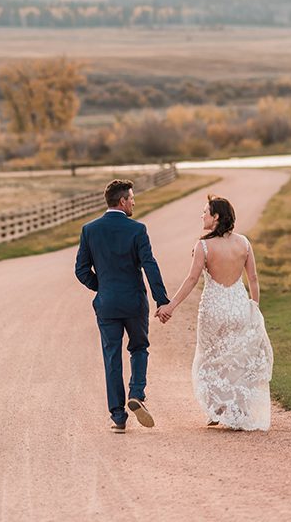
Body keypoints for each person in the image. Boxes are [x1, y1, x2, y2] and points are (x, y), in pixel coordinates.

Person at [157, 195, 273, 431]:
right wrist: (254, 306)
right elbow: (253, 278)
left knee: (210, 358)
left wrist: (171, 306)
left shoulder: (204, 246)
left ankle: (217, 409)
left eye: (205, 212)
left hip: (214, 309)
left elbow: (191, 279)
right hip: (239, 306)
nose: (202, 216)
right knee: (237, 359)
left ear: (216, 217)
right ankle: (238, 410)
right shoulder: (244, 243)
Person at [74, 179, 171, 433]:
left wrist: (102, 287)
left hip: (107, 304)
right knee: (139, 347)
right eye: (131, 198)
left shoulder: (89, 230)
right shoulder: (137, 230)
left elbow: (81, 269)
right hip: (134, 302)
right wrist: (161, 299)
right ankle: (137, 392)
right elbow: (150, 265)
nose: (134, 202)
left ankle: (118, 417)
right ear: (122, 201)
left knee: (111, 356)